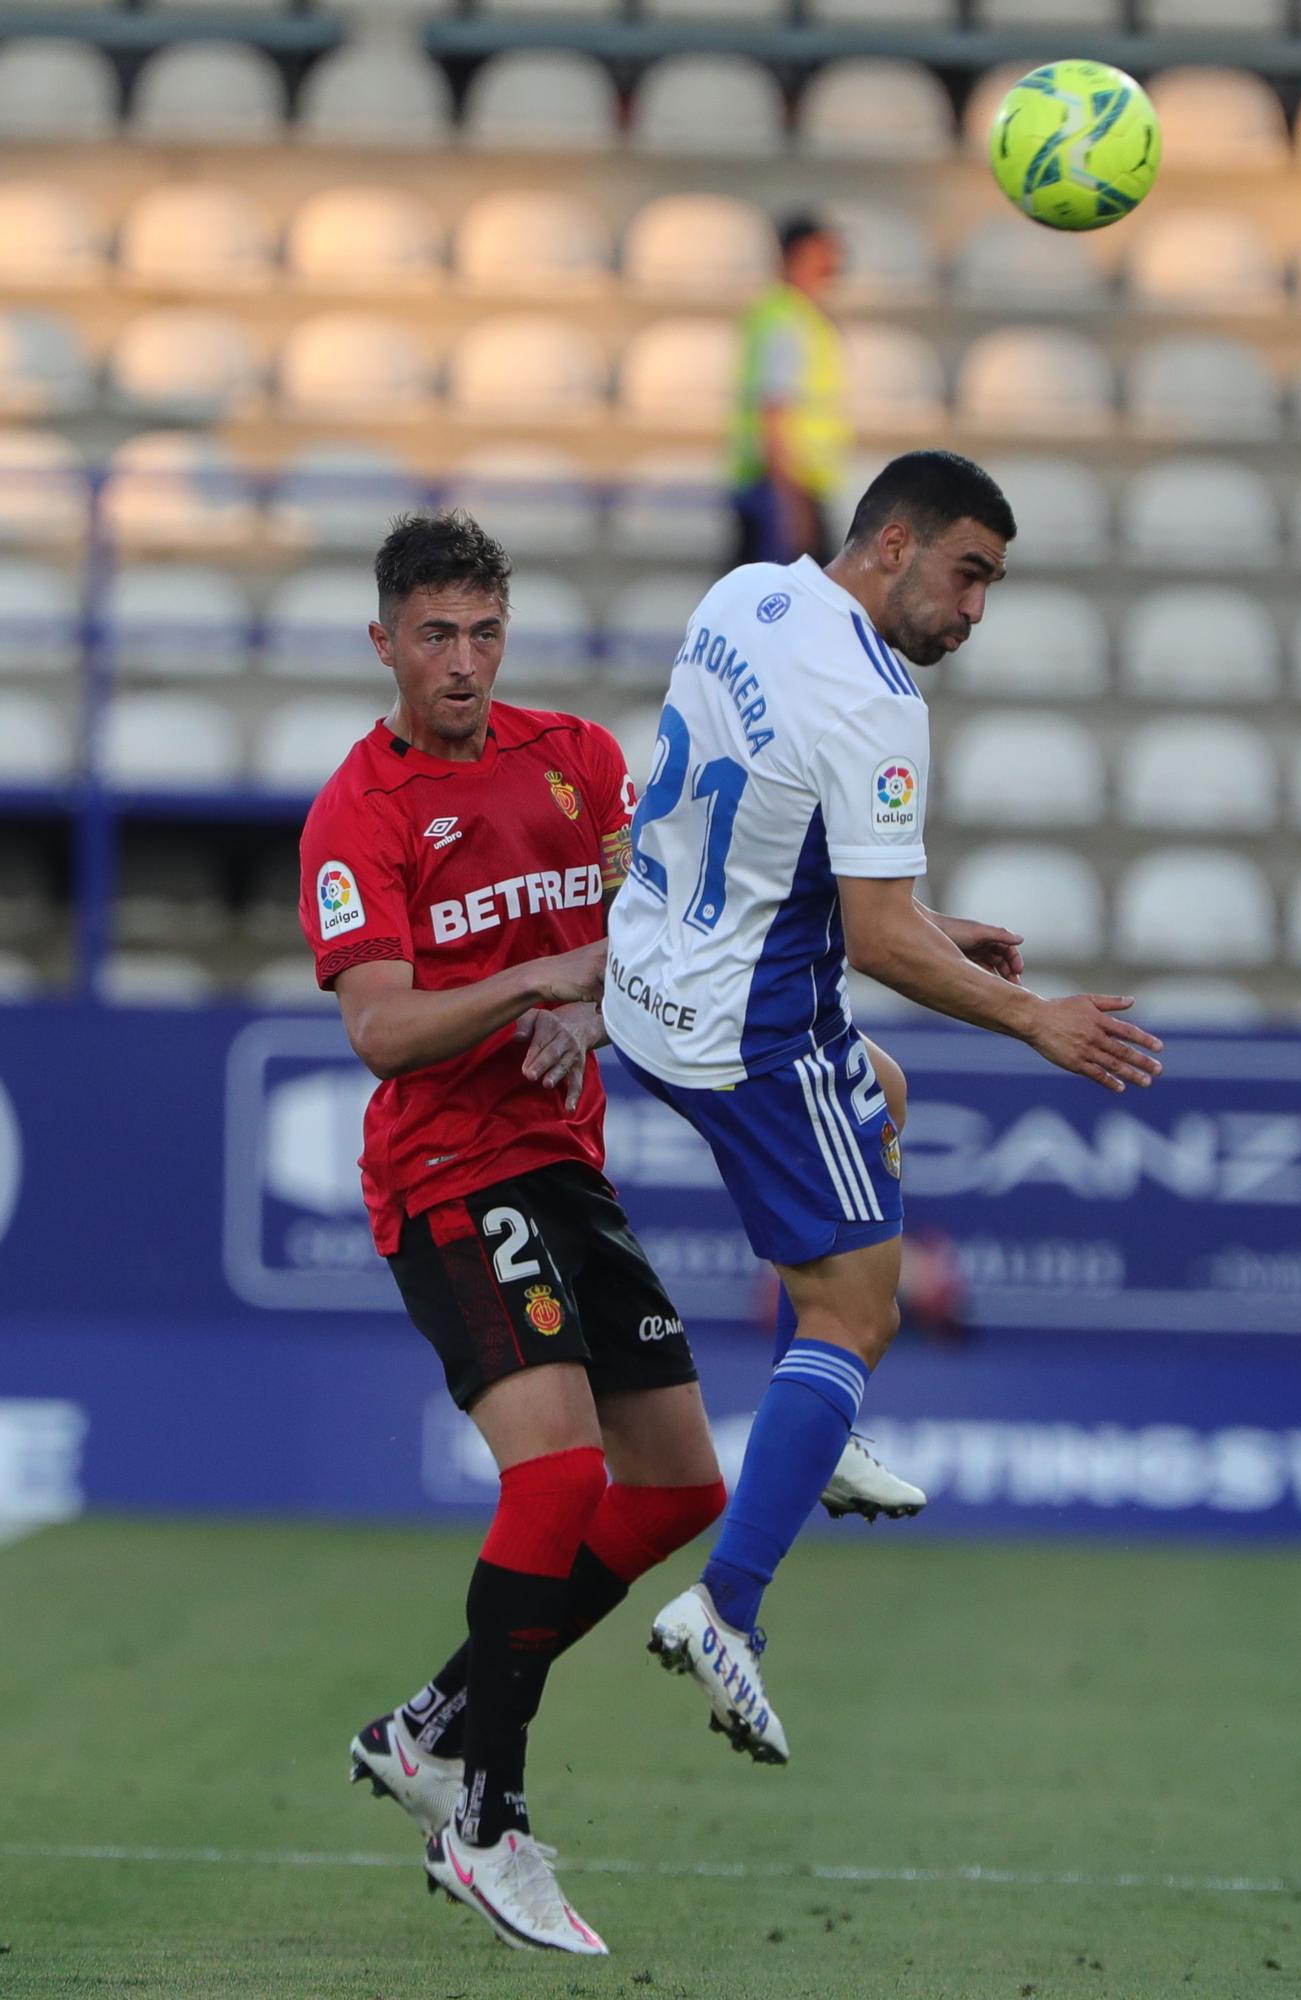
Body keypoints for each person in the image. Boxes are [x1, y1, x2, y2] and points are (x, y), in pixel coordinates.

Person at [602, 450, 1165, 1766]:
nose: (973, 611)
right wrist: (1034, 1019)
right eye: (967, 575)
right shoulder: (876, 696)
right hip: (742, 1029)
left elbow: (721, 823)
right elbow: (867, 941)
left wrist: (922, 922)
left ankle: (815, 1426)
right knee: (858, 1305)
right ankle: (728, 1606)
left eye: (992, 587)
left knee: (887, 1092)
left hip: (643, 980)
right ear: (896, 542)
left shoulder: (744, 595)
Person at [298, 511, 729, 1956]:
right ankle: (485, 1827)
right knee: (551, 1482)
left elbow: (663, 928)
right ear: (384, 643)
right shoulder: (355, 814)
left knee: (675, 1490)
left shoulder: (579, 762)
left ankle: (431, 1723)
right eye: (434, 636)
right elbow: (379, 1028)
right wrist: (534, 974)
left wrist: (593, 1000)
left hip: (562, 1166)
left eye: (484, 632)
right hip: (444, 1174)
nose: (464, 663)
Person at [729, 212, 851, 569]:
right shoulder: (788, 322)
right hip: (783, 489)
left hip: (786, 486)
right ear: (800, 253)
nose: (836, 261)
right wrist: (792, 506)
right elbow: (775, 412)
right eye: (825, 250)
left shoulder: (788, 316)